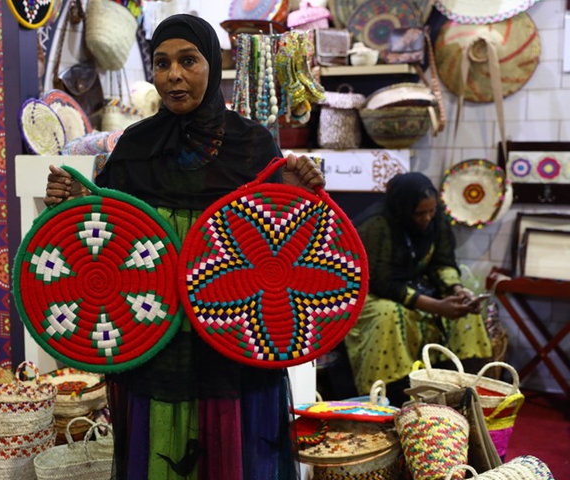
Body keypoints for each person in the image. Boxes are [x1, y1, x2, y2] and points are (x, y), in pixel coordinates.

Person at [44, 14, 325, 480]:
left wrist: (297, 187)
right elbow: (107, 236)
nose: (173, 75)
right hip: (155, 331)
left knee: (233, 445)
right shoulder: (134, 148)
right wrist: (72, 202)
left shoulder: (252, 146)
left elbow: (283, 244)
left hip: (232, 328)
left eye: (188, 61)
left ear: (212, 65)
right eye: (161, 63)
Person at [344, 172, 492, 407]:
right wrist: (435, 306)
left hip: (415, 284)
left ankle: (464, 393)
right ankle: (392, 398)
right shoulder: (376, 225)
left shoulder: (435, 219)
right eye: (419, 213)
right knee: (388, 314)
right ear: (403, 209)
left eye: (431, 211)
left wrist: (456, 290)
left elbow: (443, 262)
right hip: (372, 292)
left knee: (467, 315)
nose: (427, 218)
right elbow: (380, 281)